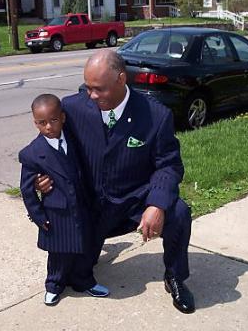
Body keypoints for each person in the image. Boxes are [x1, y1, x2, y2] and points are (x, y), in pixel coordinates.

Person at [36, 50, 195, 313]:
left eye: (99, 89)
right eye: (88, 88)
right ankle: (87, 252)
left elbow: (169, 165)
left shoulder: (155, 116)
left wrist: (156, 204)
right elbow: (48, 148)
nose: (92, 96)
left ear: (121, 79)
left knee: (178, 212)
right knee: (74, 275)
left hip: (134, 201)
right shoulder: (72, 109)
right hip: (90, 208)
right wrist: (40, 180)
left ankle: (175, 277)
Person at [19, 94, 109, 306]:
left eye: (53, 120)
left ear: (63, 117)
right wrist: (39, 216)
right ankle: (54, 285)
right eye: (42, 123)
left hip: (82, 206)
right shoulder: (32, 154)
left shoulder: (74, 141)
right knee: (59, 253)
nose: (49, 127)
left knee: (84, 248)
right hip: (56, 212)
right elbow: (27, 190)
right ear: (35, 123)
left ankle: (83, 280)